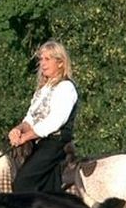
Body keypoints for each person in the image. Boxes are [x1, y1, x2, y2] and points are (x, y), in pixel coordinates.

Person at [8, 40, 79, 193]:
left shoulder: (66, 87)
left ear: (60, 63)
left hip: (55, 142)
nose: (42, 63)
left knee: (23, 183)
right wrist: (18, 129)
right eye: (41, 59)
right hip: (38, 142)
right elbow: (30, 119)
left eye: (47, 59)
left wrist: (26, 137)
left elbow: (55, 121)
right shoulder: (42, 90)